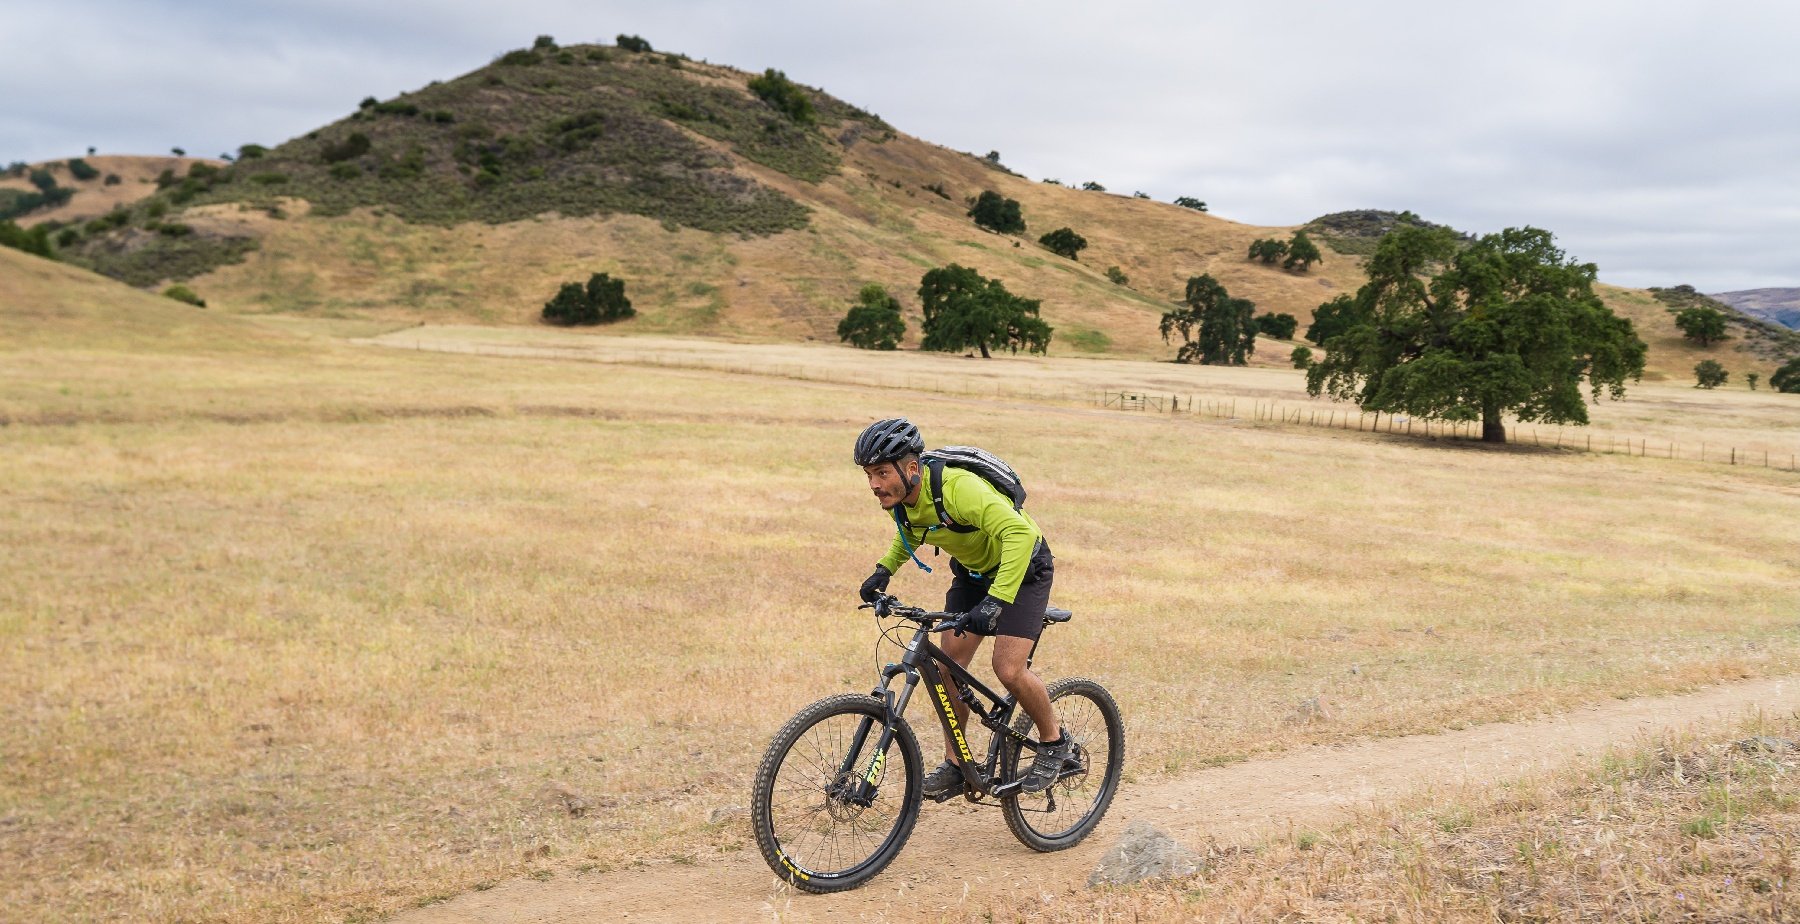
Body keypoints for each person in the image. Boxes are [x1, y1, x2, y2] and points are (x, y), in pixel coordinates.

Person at [852, 418, 1071, 796]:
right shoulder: (899, 499)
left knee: (1008, 668)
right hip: (973, 575)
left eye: (882, 473)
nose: (874, 484)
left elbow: (1020, 534)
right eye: (869, 475)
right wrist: (883, 571)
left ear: (912, 469)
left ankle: (1054, 743)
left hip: (1023, 570)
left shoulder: (959, 489)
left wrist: (998, 600)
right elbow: (913, 532)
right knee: (945, 670)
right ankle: (957, 763)